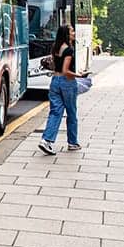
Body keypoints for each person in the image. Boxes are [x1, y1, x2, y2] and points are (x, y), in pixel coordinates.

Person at [39, 25, 83, 155]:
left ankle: (46, 140)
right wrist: (80, 75)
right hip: (67, 83)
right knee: (71, 113)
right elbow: (65, 71)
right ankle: (72, 143)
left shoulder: (56, 47)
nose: (74, 33)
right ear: (66, 34)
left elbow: (55, 66)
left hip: (54, 82)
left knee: (55, 112)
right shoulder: (68, 50)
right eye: (71, 31)